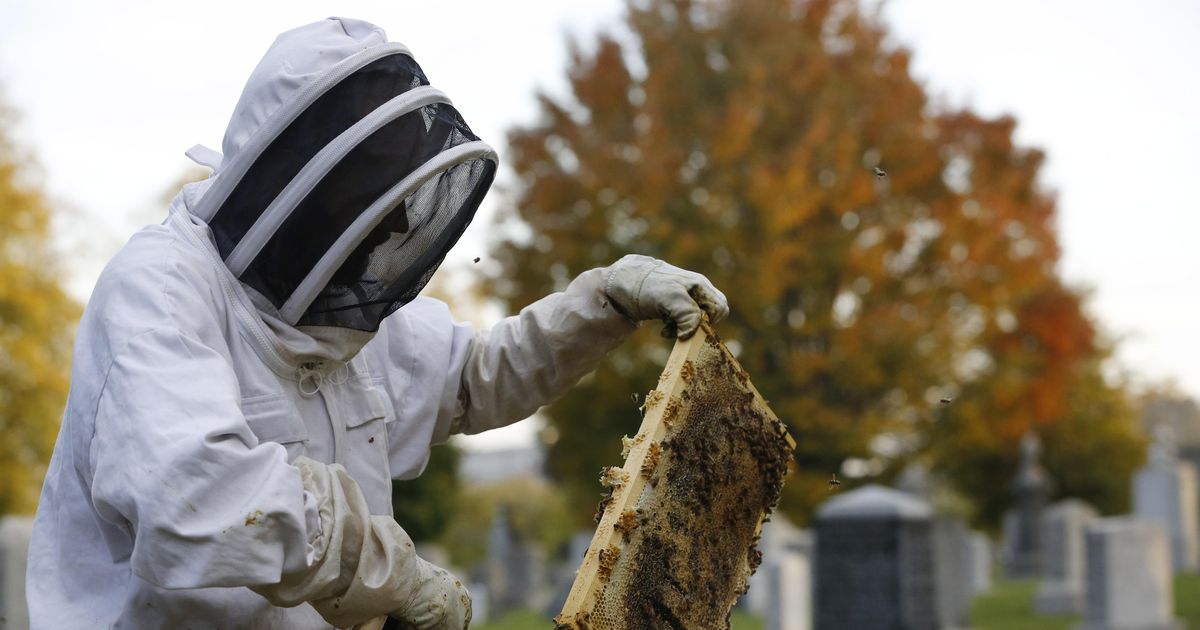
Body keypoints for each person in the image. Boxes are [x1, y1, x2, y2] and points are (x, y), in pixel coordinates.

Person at [26, 17, 727, 630]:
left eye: (392, 212)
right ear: (294, 187)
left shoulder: (339, 315)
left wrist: (601, 303)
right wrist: (394, 576)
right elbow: (193, 496)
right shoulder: (159, 291)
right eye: (365, 206)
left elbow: (473, 377)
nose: (383, 236)